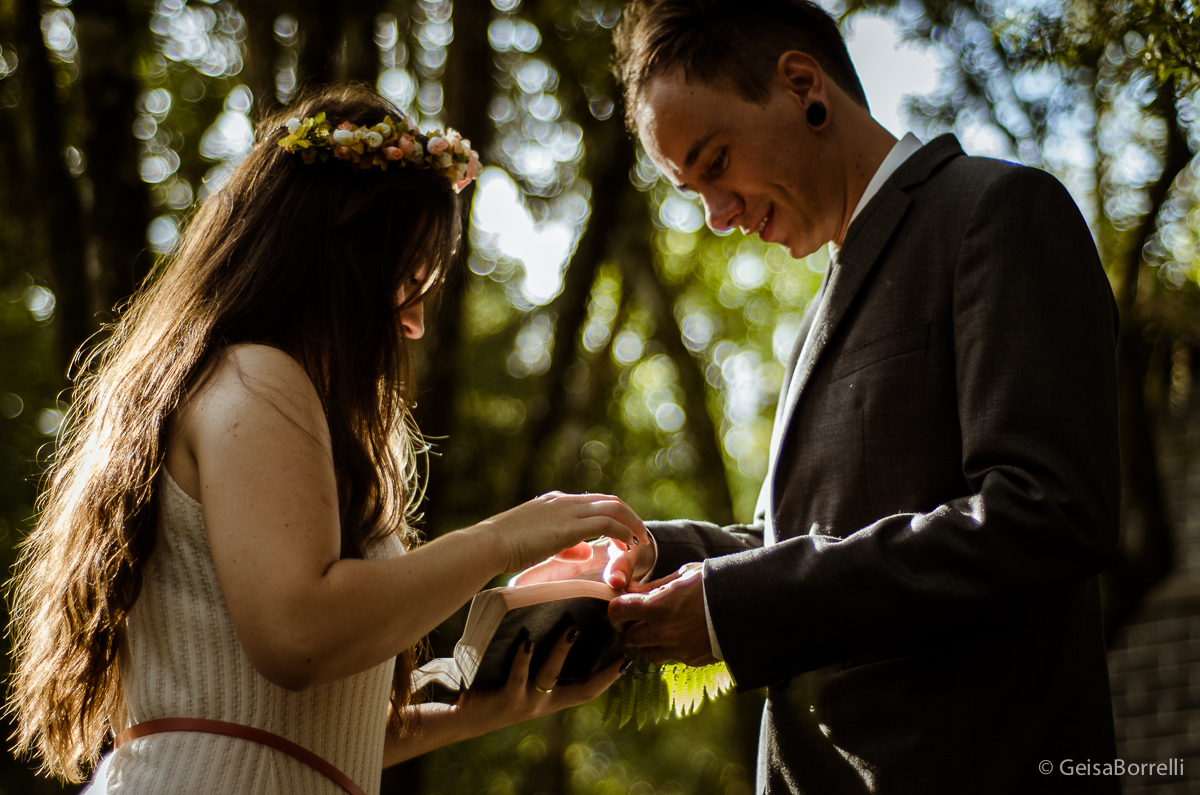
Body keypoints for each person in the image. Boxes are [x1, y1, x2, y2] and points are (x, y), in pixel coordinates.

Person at [518, 0, 1122, 791]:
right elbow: (797, 542)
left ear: (803, 83)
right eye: (692, 191)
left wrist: (738, 608)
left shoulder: (993, 213)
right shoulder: (814, 318)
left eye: (715, 161)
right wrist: (648, 555)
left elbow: (1045, 514)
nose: (718, 214)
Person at [8, 84, 648, 795]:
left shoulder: (241, 382)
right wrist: (507, 538)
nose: (414, 326)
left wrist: (483, 710)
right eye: (407, 282)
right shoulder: (257, 377)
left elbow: (292, 732)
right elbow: (298, 635)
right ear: (345, 258)